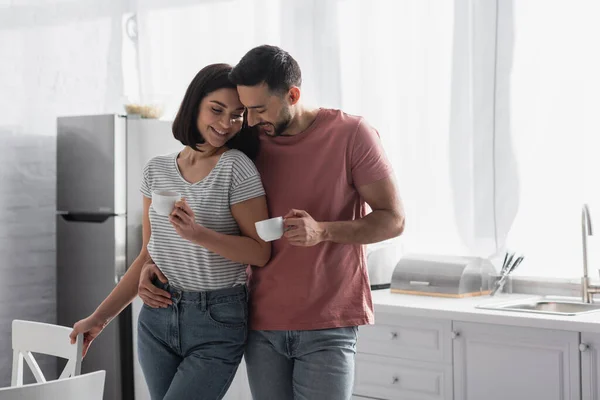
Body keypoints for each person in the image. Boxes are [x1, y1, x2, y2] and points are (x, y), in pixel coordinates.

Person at [140, 45, 405, 399]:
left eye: (259, 109)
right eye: (245, 110)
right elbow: (207, 204)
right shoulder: (250, 143)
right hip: (260, 321)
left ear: (292, 95)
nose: (248, 120)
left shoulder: (352, 135)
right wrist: (155, 264)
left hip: (329, 321)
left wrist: (324, 230)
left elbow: (393, 219)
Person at [69, 63, 270, 400]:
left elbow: (260, 252)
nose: (225, 124)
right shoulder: (157, 170)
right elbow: (149, 253)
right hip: (158, 317)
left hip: (216, 320)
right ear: (194, 105)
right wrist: (99, 319)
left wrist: (198, 234)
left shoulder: (237, 167)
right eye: (216, 110)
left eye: (237, 115)